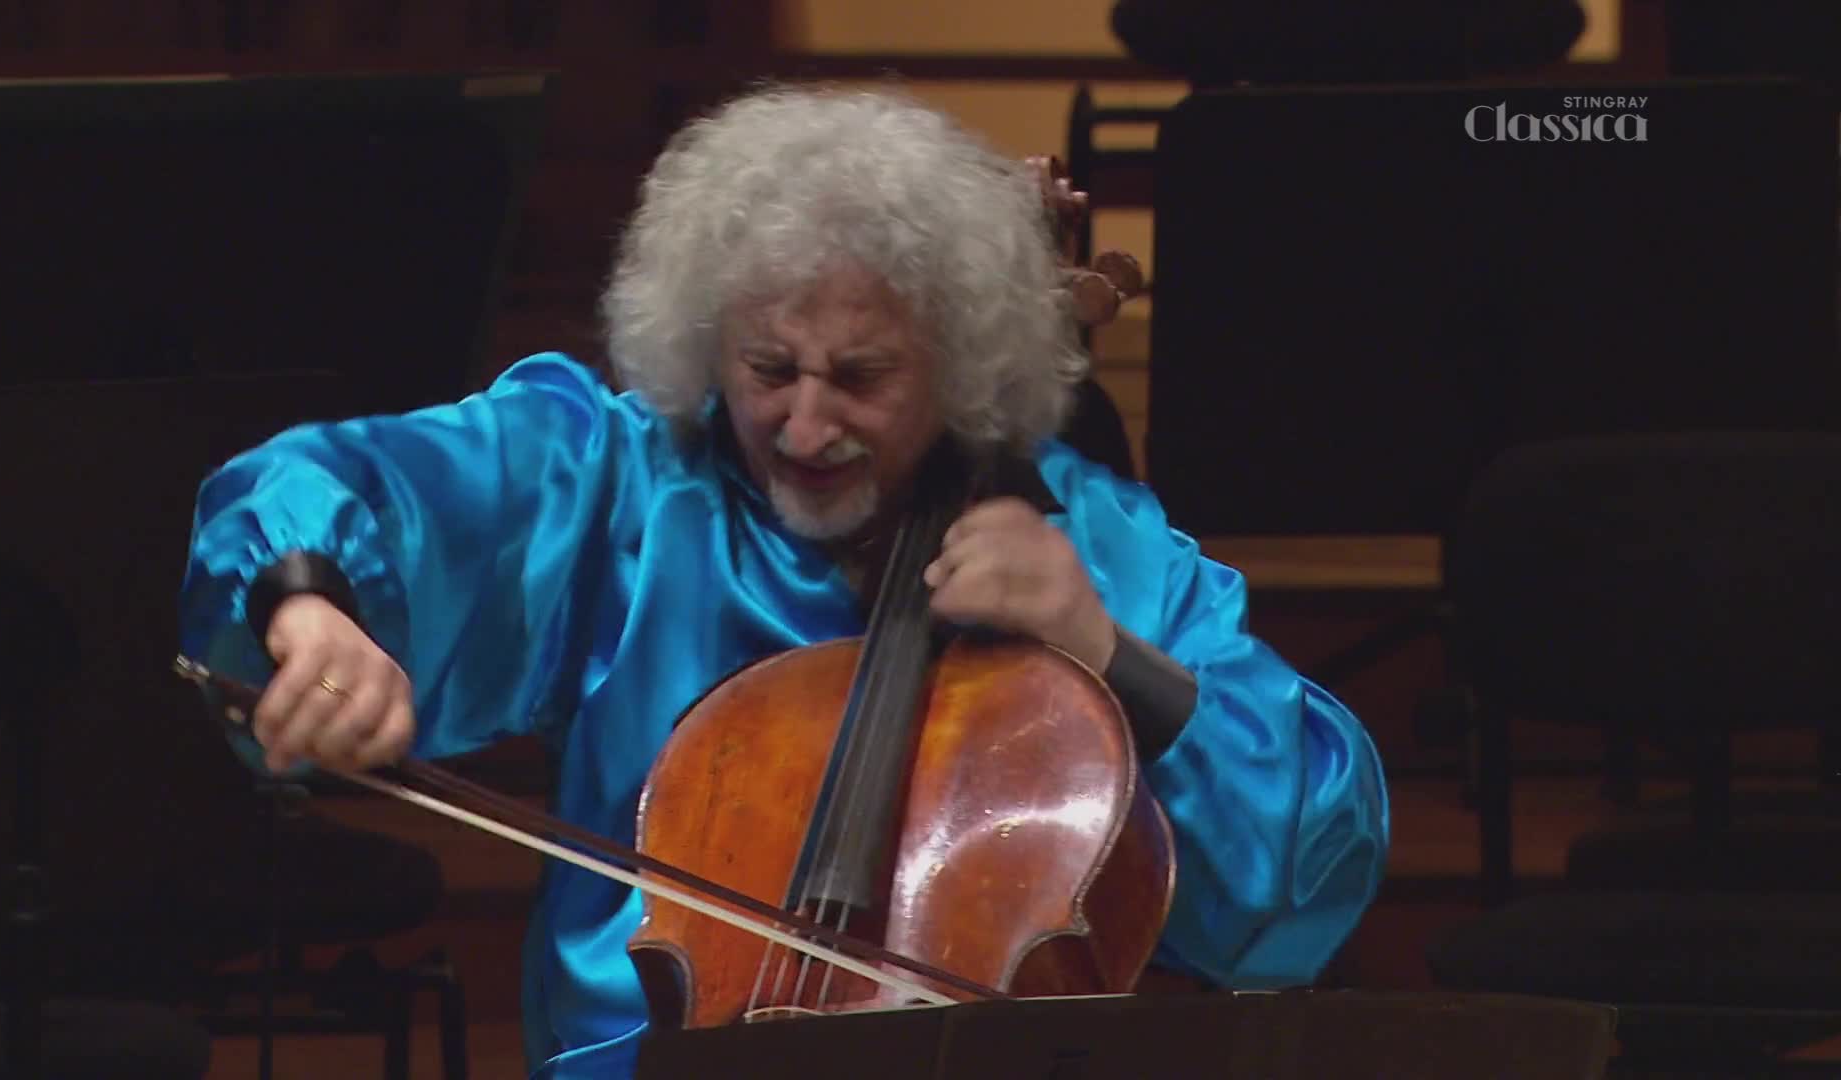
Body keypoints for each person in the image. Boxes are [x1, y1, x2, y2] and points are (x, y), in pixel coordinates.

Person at [177, 84, 1390, 1080]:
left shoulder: (1097, 544)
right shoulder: (627, 480)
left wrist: (1102, 647)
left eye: (861, 377)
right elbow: (318, 477)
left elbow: (1312, 857)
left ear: (965, 368)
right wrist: (307, 606)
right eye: (768, 367)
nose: (805, 424)